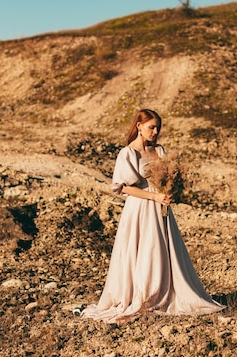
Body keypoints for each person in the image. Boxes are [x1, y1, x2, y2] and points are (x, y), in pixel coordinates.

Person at [81, 108, 225, 323]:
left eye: (158, 127)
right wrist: (154, 198)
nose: (156, 131)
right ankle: (144, 295)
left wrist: (169, 193)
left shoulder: (159, 150)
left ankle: (167, 294)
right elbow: (122, 188)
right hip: (140, 209)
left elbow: (168, 177)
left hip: (161, 208)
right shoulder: (128, 153)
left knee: (165, 249)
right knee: (146, 249)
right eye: (151, 127)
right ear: (139, 126)